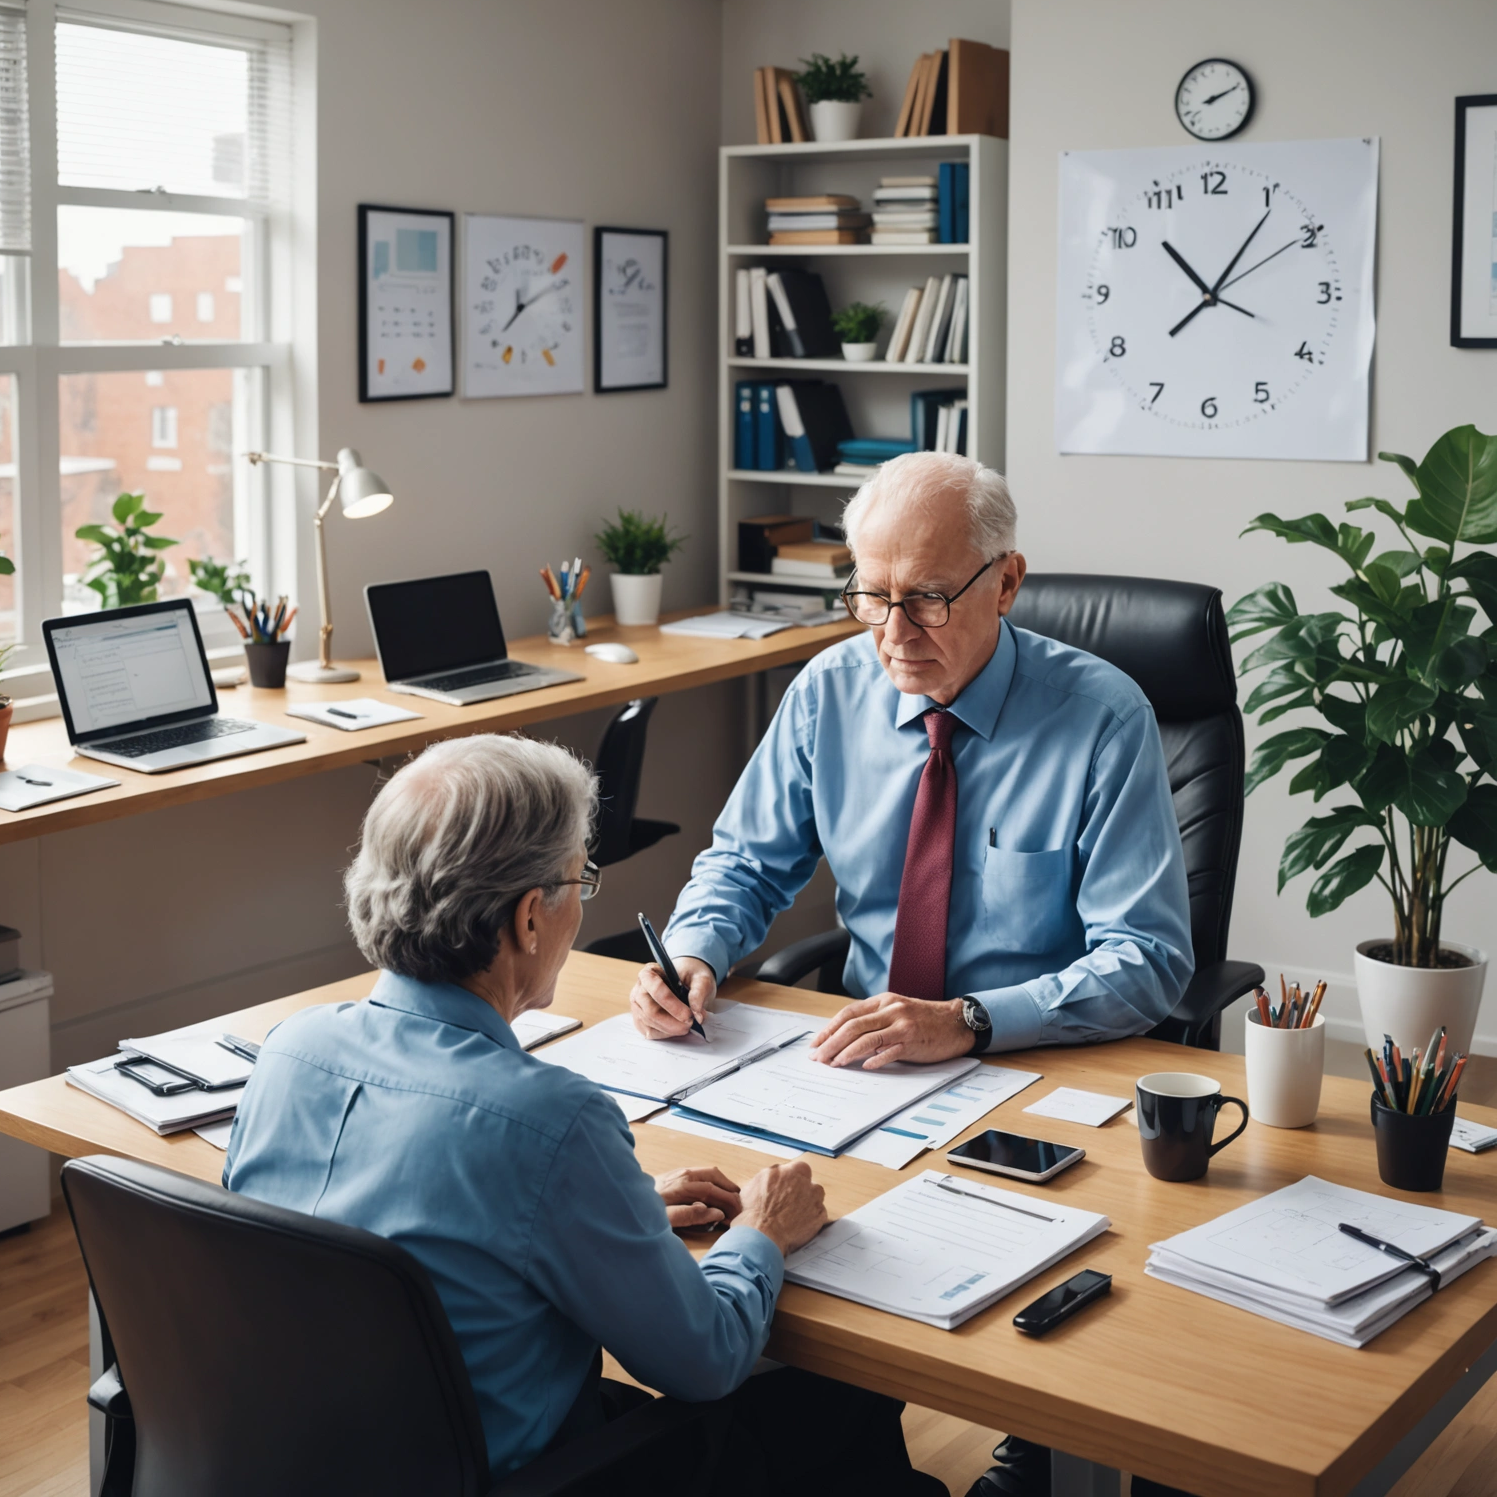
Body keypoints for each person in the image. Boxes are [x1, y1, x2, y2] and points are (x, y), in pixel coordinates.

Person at [630, 452, 1195, 1497]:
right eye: (872, 598)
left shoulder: (1101, 716)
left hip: (1038, 1072)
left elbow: (1150, 960)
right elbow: (747, 862)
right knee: (756, 1268)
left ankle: (1040, 1450)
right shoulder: (830, 691)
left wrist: (971, 1019)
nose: (893, 634)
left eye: (927, 600)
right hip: (861, 1076)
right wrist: (699, 949)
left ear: (1007, 582)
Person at [225, 734, 944, 1497]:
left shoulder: (289, 1051)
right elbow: (707, 1361)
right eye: (580, 880)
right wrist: (759, 1232)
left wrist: (608, 1211)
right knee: (846, 1403)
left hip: (329, 1462)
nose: (579, 902)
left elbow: (407, 1239)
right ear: (530, 919)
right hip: (537, 1476)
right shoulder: (550, 1121)